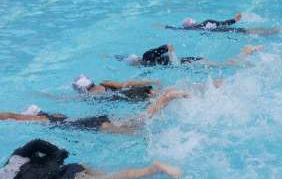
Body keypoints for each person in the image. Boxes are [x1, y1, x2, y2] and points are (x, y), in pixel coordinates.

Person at [0, 89, 189, 135]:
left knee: (139, 125)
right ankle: (166, 98)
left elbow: (11, 116)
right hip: (93, 120)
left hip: (94, 124)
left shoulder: (44, 120)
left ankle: (167, 98)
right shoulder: (57, 117)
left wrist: (10, 117)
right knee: (137, 126)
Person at [0, 139, 181, 178]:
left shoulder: (14, 165)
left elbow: (35, 143)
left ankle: (154, 169)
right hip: (71, 169)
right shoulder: (14, 162)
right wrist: (59, 155)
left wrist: (57, 154)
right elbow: (36, 144)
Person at [113, 43, 263, 68]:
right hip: (186, 61)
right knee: (220, 64)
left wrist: (168, 49)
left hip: (188, 63)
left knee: (222, 65)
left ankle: (246, 52)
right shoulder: (147, 63)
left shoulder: (146, 57)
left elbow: (162, 48)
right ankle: (245, 54)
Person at [165, 13, 281, 35]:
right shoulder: (207, 22)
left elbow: (178, 29)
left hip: (228, 34)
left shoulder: (193, 30)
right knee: (249, 31)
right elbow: (223, 24)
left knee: (247, 32)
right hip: (230, 31)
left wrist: (166, 26)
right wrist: (234, 20)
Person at [71, 74, 159, 102]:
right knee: (161, 95)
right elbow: (128, 84)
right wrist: (151, 81)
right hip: (139, 91)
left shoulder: (89, 97)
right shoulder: (105, 83)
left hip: (134, 100)